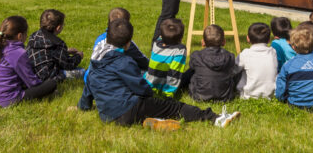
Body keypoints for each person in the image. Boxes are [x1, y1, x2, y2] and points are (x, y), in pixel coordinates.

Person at [78, 18, 240, 129]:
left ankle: (154, 122)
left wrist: (83, 106)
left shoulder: (95, 61)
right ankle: (215, 118)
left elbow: (89, 87)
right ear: (128, 43)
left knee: (151, 110)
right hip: (128, 108)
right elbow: (140, 87)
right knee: (175, 107)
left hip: (107, 116)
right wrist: (151, 96)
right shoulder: (124, 62)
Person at [0, 16, 58, 107]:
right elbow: (31, 82)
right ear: (20, 36)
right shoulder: (18, 53)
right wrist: (43, 87)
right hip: (6, 100)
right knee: (51, 84)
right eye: (26, 34)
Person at [275, 25, 313, 109]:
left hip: (294, 103)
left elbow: (281, 85)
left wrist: (281, 98)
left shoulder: (288, 64)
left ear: (293, 47)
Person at [187, 24, 242, 102]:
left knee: (191, 71)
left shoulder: (196, 56)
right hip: (225, 97)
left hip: (199, 96)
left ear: (203, 42)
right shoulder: (229, 57)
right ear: (224, 42)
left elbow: (192, 67)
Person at [26, 9, 85, 82]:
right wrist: (79, 56)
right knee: (82, 71)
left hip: (32, 73)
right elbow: (68, 65)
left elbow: (46, 52)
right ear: (58, 27)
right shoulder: (57, 43)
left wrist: (66, 51)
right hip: (48, 78)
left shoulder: (34, 36)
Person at [145, 18, 188, 97]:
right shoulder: (179, 50)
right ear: (181, 38)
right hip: (163, 86)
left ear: (161, 35)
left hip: (149, 83)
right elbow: (175, 73)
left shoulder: (156, 43)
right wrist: (168, 94)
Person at [236, 22, 277, 99]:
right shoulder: (273, 52)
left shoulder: (245, 54)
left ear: (248, 38)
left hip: (248, 95)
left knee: (239, 68)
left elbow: (233, 70)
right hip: (271, 94)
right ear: (269, 40)